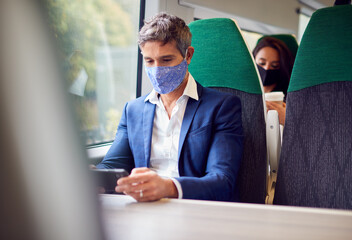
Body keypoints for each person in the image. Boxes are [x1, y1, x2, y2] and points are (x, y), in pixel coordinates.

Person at [96, 13, 243, 202]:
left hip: (193, 206)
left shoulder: (222, 107)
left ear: (188, 55)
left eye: (166, 60)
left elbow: (223, 180)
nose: (157, 70)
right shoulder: (132, 110)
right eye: (149, 61)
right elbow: (112, 165)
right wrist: (93, 176)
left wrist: (168, 187)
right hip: (144, 204)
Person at [253, 37, 295, 125]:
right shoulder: (243, 92)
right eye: (262, 63)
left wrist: (287, 119)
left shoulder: (291, 98)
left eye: (274, 65)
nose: (266, 68)